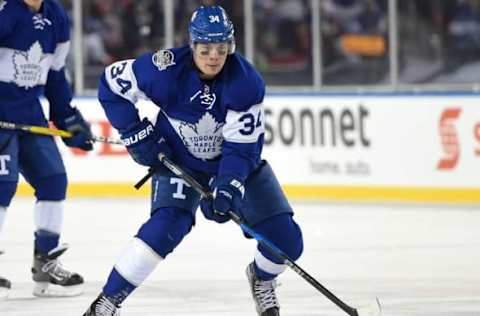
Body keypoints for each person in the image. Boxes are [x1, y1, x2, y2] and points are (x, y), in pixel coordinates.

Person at [83, 5, 303, 316]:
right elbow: (110, 85)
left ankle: (262, 278)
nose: (214, 56)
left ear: (231, 46)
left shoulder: (246, 82)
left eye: (221, 48)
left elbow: (242, 148)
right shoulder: (163, 70)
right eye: (205, 48)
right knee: (164, 227)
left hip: (231, 164)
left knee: (288, 241)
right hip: (178, 161)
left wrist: (228, 186)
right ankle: (107, 302)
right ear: (192, 45)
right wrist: (135, 133)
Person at [0, 0, 93, 298]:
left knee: (53, 179)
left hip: (29, 116)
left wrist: (67, 117)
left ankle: (46, 262)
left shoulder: (56, 17)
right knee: (2, 184)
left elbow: (55, 74)